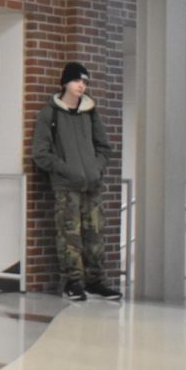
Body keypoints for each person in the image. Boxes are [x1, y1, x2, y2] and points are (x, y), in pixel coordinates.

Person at [31, 62, 122, 302]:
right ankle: (72, 283)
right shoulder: (49, 114)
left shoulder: (91, 112)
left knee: (96, 234)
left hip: (92, 185)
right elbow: (40, 153)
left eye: (85, 82)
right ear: (65, 83)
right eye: (77, 81)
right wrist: (66, 170)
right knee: (69, 235)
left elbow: (104, 147)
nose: (82, 85)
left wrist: (96, 168)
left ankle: (95, 282)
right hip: (65, 186)